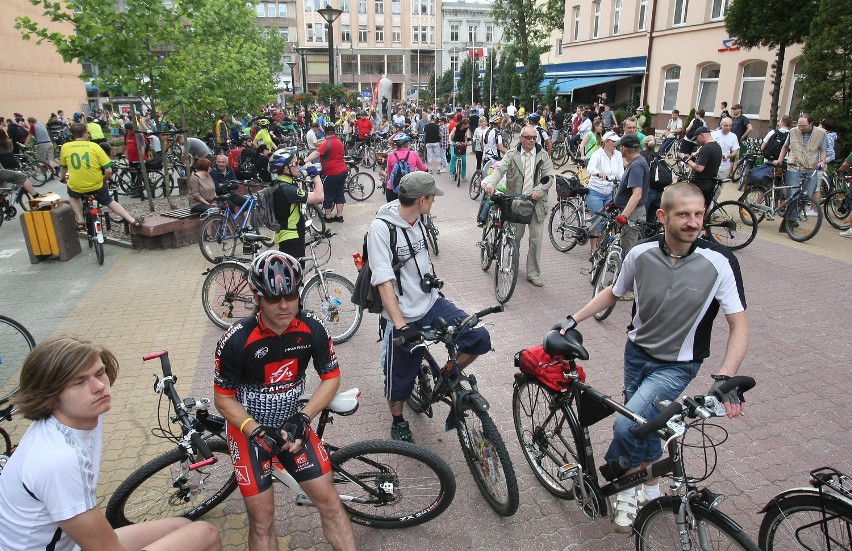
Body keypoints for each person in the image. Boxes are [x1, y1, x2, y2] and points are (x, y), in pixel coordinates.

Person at [563, 181, 748, 533]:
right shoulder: (640, 253)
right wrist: (573, 318)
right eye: (683, 215)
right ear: (663, 216)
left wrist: (725, 377)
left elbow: (739, 325)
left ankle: (622, 482)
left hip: (678, 365)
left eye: (698, 214)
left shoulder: (720, 261)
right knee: (647, 424)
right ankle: (648, 486)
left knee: (628, 425)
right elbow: (614, 293)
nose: (693, 222)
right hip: (635, 355)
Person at [0, 336, 223, 551]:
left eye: (100, 373)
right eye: (78, 382)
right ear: (49, 394)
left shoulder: (79, 416)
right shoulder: (60, 460)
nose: (98, 386)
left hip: (63, 540)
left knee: (181, 526)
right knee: (206, 534)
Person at [213, 252, 356, 551]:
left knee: (330, 503)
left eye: (291, 296)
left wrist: (303, 419)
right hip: (248, 432)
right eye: (273, 298)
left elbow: (331, 378)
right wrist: (255, 430)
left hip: (292, 426)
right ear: (255, 295)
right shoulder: (236, 341)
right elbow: (223, 399)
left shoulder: (313, 328)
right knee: (263, 522)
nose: (283, 306)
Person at [366, 172, 492, 442]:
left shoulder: (420, 219)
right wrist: (400, 325)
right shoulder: (381, 229)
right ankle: (398, 421)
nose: (435, 200)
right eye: (432, 196)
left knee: (478, 336)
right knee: (398, 380)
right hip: (403, 316)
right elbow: (384, 281)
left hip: (432, 303)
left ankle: (445, 374)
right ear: (421, 199)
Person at [481, 125, 556, 287]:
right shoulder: (511, 154)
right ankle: (512, 264)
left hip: (536, 204)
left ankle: (533, 273)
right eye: (528, 137)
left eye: (534, 138)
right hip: (516, 203)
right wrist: (491, 184)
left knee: (536, 240)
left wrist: (539, 190)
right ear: (521, 138)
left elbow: (549, 177)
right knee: (515, 237)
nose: (532, 140)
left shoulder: (542, 155)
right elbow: (500, 170)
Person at [60, 123, 142, 230]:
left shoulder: (65, 147)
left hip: (77, 185)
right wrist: (104, 180)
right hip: (96, 184)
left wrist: (62, 178)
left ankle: (80, 220)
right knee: (108, 201)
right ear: (85, 134)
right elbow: (108, 170)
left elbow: (64, 167)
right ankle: (131, 220)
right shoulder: (94, 146)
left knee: (73, 196)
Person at [267, 147, 324, 259]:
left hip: (290, 235)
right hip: (291, 238)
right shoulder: (287, 190)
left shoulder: (281, 184)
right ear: (286, 169)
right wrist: (316, 175)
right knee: (294, 274)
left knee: (295, 273)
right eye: (295, 164)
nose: (299, 166)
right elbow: (319, 196)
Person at [773, 115, 827, 223]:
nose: (801, 128)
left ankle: (794, 215)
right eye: (799, 125)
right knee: (792, 194)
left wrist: (822, 161)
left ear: (811, 124)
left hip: (810, 167)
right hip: (794, 166)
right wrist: (779, 159)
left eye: (804, 126)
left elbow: (823, 149)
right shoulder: (793, 131)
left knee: (806, 195)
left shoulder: (821, 133)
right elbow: (785, 146)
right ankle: (791, 221)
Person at [585, 131, 624, 254]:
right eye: (613, 141)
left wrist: (626, 179)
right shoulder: (598, 154)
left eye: (616, 141)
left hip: (610, 192)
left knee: (609, 221)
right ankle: (593, 249)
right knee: (597, 221)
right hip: (596, 191)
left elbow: (620, 172)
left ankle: (603, 246)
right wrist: (598, 172)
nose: (615, 144)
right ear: (606, 142)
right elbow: (590, 168)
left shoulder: (617, 155)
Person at [612, 134, 650, 254]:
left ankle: (626, 272)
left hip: (633, 214)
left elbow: (637, 194)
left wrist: (624, 216)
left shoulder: (636, 166)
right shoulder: (638, 161)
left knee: (628, 251)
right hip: (632, 211)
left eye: (620, 147)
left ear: (624, 148)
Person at [304, 125, 347, 222]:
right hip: (343, 171)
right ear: (334, 132)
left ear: (325, 133)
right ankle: (339, 216)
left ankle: (328, 217)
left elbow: (316, 153)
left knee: (328, 194)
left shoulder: (327, 142)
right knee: (339, 193)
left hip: (331, 173)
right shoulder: (339, 142)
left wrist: (305, 160)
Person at [684, 126, 723, 207]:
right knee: (703, 208)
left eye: (697, 138)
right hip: (710, 183)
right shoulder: (717, 147)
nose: (697, 141)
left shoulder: (706, 148)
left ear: (702, 135)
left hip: (700, 184)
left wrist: (688, 160)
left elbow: (699, 168)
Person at [385, 133, 427, 202]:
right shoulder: (413, 154)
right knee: (411, 210)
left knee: (392, 210)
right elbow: (422, 167)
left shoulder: (391, 155)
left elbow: (389, 172)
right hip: (409, 189)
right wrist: (426, 170)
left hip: (393, 189)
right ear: (406, 144)